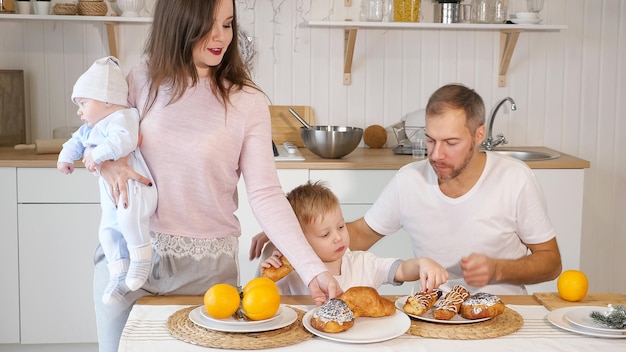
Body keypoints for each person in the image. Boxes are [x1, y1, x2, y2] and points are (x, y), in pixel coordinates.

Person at [93, 1, 341, 351]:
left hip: (207, 275)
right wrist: (106, 163)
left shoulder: (247, 101)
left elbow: (266, 194)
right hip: (127, 260)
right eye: (208, 25)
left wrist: (314, 269)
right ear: (179, 22)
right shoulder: (140, 79)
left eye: (227, 24)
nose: (220, 37)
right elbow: (95, 130)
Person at [346, 83, 562, 294]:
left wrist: (498, 269)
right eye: (430, 140)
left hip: (504, 311)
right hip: (431, 312)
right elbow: (361, 234)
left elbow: (551, 263)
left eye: (450, 143)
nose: (437, 154)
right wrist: (313, 244)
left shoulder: (515, 178)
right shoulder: (409, 180)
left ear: (479, 135)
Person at [57, 56, 157, 306]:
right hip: (111, 193)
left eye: (83, 102)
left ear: (105, 100)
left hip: (134, 189)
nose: (79, 110)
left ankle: (141, 260)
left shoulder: (123, 117)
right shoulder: (90, 127)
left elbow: (124, 140)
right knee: (108, 230)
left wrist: (96, 154)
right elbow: (75, 141)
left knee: (128, 219)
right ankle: (118, 273)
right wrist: (65, 157)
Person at [260, 181, 449, 294]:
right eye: (325, 234)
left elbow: (401, 270)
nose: (338, 237)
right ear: (298, 240)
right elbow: (265, 305)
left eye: (341, 226)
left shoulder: (361, 263)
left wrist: (422, 264)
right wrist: (267, 276)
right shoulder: (292, 275)